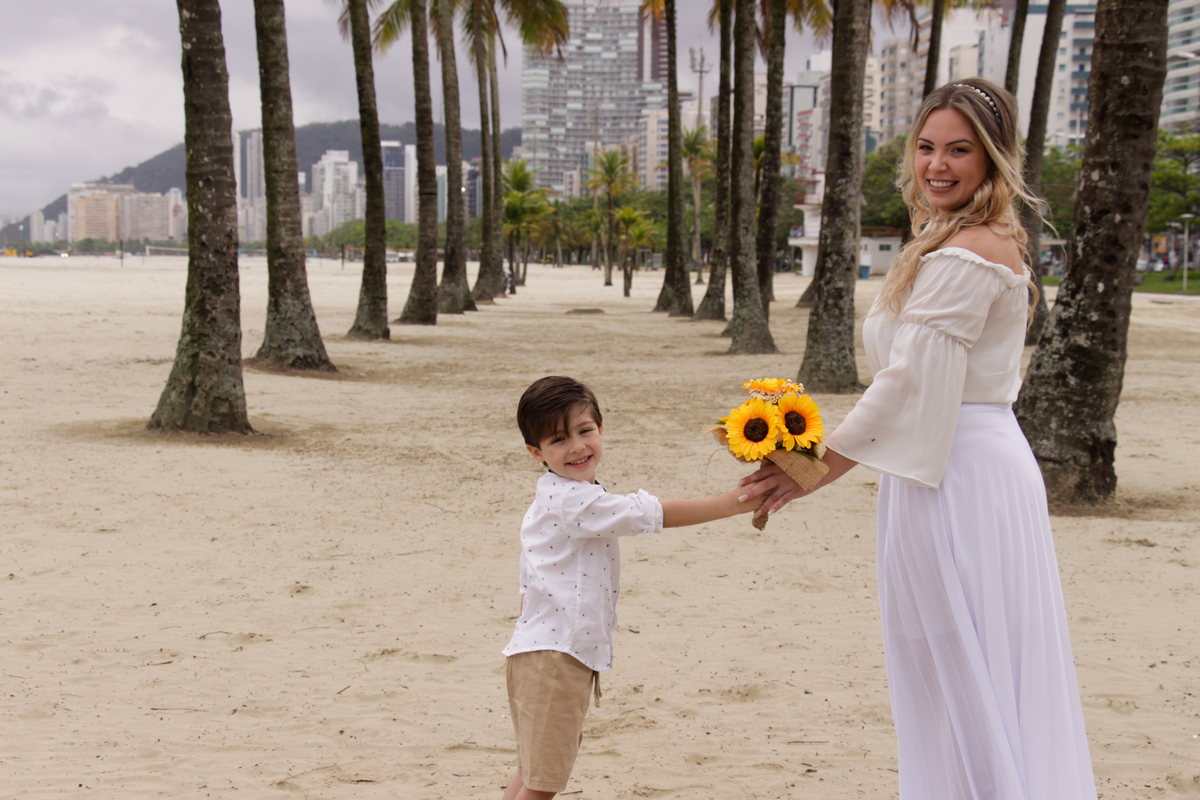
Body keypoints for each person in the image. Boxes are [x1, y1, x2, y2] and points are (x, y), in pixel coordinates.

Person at [738, 78, 1098, 799]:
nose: (937, 164)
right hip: (941, 463)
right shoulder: (955, 237)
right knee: (953, 662)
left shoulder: (971, 250)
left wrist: (815, 469)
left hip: (961, 474)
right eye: (927, 147)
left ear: (992, 157)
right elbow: (909, 378)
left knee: (966, 662)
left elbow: (908, 383)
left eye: (959, 150)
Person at [502, 375, 763, 800]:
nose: (577, 447)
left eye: (585, 431)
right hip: (555, 657)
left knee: (533, 769)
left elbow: (528, 575)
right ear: (536, 452)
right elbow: (650, 514)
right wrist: (734, 502)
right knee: (542, 782)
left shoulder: (560, 495)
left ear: (601, 429)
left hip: (541, 652)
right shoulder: (573, 501)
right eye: (558, 440)